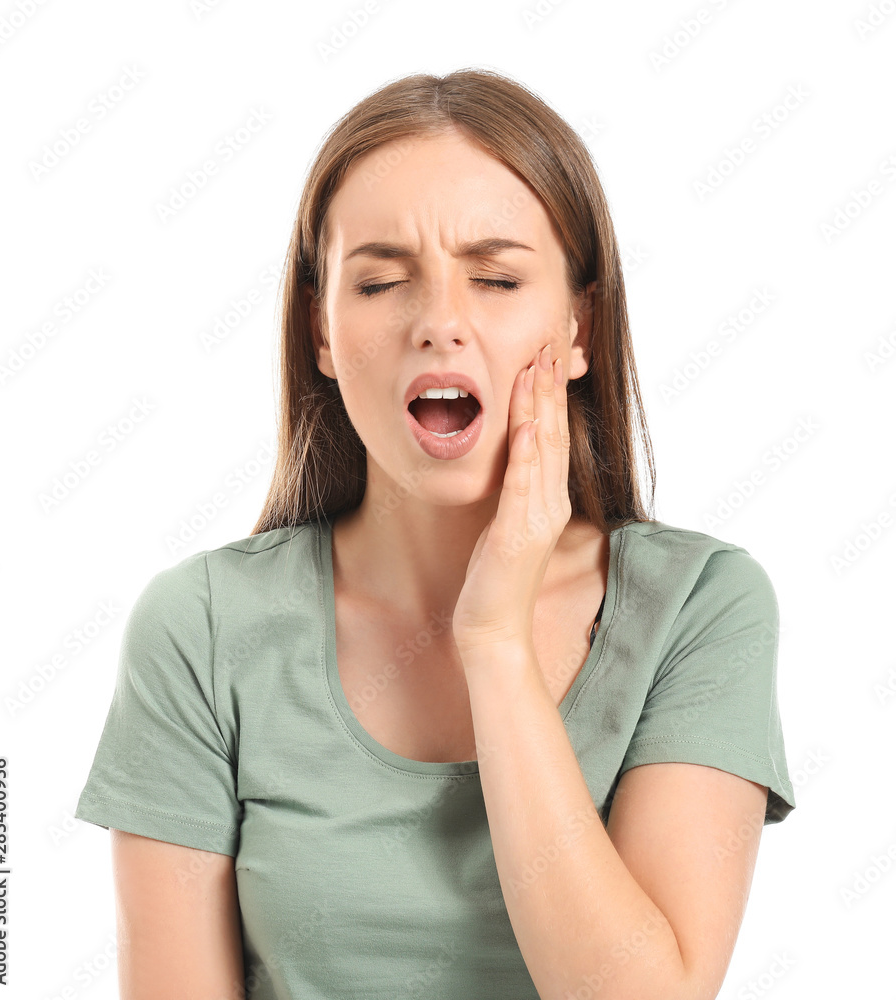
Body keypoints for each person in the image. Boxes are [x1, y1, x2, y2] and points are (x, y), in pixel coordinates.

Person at [74, 68, 796, 1000]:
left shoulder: (699, 607)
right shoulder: (200, 626)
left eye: (495, 278)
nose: (439, 324)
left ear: (579, 327)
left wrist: (493, 642)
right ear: (323, 333)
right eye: (379, 282)